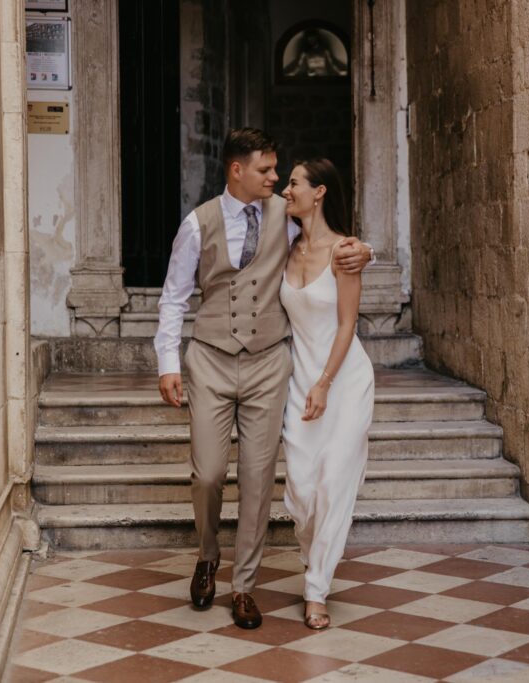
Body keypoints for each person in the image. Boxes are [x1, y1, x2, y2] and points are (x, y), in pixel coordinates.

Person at [155, 129, 372, 629]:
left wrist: (368, 253)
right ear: (237, 170)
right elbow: (173, 296)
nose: (276, 179)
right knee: (208, 472)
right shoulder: (197, 224)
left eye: (280, 173)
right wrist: (168, 361)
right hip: (209, 358)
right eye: (266, 171)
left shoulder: (286, 216)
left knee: (257, 479)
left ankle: (244, 587)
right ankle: (208, 555)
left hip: (269, 363)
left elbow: (335, 247)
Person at [280, 158, 374, 630]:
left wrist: (325, 384)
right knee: (300, 489)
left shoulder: (345, 252)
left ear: (318, 193)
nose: (285, 190)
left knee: (333, 483)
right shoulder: (283, 246)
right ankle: (313, 555)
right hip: (299, 379)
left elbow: (347, 323)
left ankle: (316, 589)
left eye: (293, 183)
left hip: (344, 380)